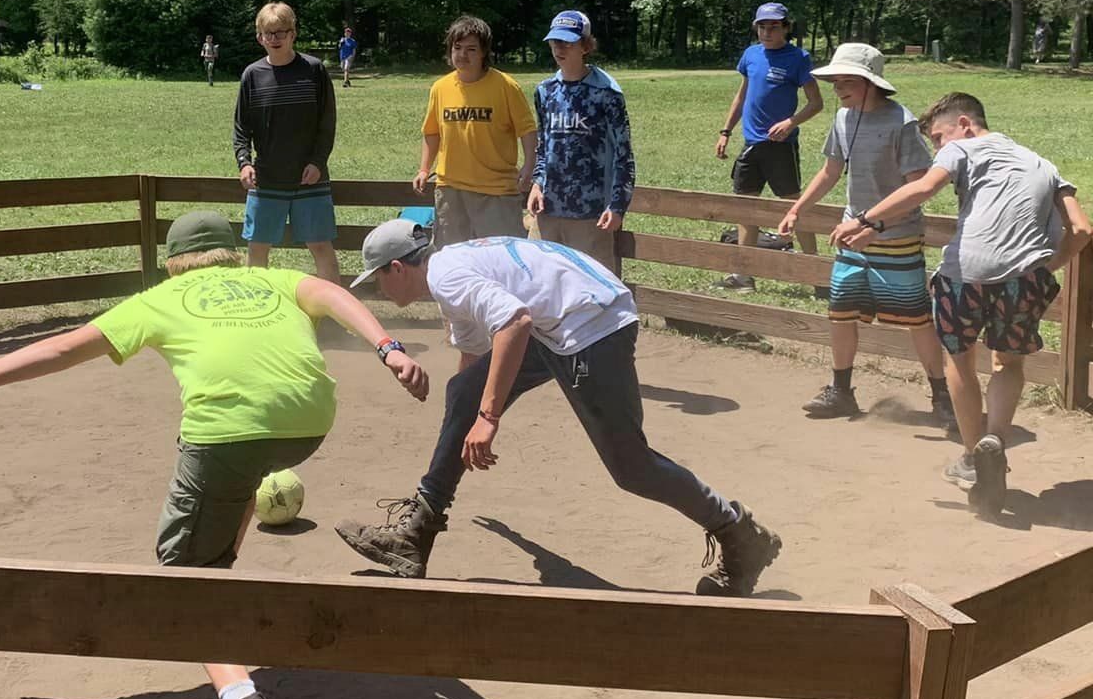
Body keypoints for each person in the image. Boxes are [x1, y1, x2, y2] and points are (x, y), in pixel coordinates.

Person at [0, 210, 429, 699]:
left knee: (181, 577)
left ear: (174, 263)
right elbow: (334, 293)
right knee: (233, 485)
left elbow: (64, 348)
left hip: (228, 432)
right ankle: (219, 570)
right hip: (308, 424)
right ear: (230, 252)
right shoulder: (275, 279)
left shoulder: (159, 299)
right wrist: (390, 349)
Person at [333, 222, 782, 596]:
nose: (377, 288)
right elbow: (473, 367)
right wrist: (471, 411)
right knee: (465, 390)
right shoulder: (452, 269)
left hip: (590, 327)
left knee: (631, 466)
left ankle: (740, 534)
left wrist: (488, 419)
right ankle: (416, 534)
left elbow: (515, 322)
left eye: (377, 278)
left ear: (397, 268)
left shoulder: (448, 277)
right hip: (564, 318)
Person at [832, 92, 1090, 517]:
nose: (938, 149)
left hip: (962, 276)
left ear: (965, 124)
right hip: (1023, 278)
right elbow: (1080, 228)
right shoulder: (1045, 165)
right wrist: (1049, 266)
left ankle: (973, 456)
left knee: (960, 362)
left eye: (939, 137)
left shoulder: (963, 149)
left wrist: (867, 220)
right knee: (1008, 365)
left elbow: (924, 186)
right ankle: (995, 440)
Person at [778, 44, 953, 425]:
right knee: (840, 313)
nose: (837, 87)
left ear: (870, 83)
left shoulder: (901, 123)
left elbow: (917, 187)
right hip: (851, 232)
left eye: (845, 80)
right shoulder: (842, 118)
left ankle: (943, 396)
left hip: (897, 236)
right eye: (834, 80)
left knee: (916, 319)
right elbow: (830, 171)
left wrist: (877, 226)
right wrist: (797, 209)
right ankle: (841, 391)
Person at [715, 2, 823, 289]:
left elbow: (816, 103)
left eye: (774, 26)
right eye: (762, 26)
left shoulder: (798, 58)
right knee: (745, 207)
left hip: (780, 146)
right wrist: (726, 131)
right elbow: (741, 97)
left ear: (786, 27)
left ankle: (817, 274)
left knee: (794, 206)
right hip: (751, 145)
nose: (767, 32)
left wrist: (791, 122)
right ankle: (743, 275)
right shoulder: (751, 55)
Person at [232, 2, 341, 281]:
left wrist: (318, 162)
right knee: (257, 249)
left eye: (281, 32)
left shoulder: (314, 70)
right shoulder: (252, 76)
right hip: (266, 178)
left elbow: (327, 124)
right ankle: (257, 315)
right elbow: (241, 128)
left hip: (310, 178)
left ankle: (332, 319)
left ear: (293, 34)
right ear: (260, 37)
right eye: (269, 33)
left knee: (320, 246)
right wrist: (244, 163)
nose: (275, 39)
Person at [527, 8, 634, 274]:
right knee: (541, 284)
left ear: (585, 46)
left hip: (591, 214)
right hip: (549, 210)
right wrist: (537, 183)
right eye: (554, 42)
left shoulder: (606, 93)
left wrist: (618, 205)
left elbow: (623, 154)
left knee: (593, 289)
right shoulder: (545, 91)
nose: (558, 48)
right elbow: (544, 145)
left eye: (567, 42)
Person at [414, 15, 536, 248]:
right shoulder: (440, 88)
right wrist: (424, 169)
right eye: (457, 48)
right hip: (451, 191)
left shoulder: (506, 86)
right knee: (452, 262)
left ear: (484, 53)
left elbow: (527, 130)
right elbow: (431, 132)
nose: (462, 55)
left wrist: (529, 165)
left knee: (502, 261)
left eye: (471, 49)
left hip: (496, 192)